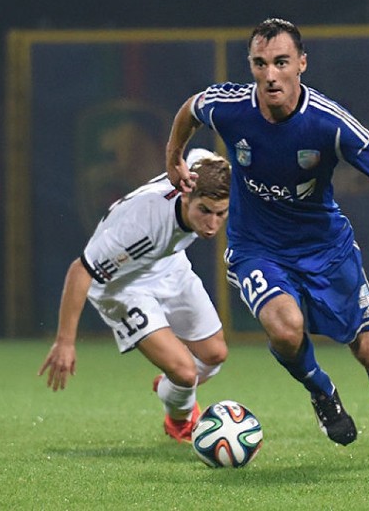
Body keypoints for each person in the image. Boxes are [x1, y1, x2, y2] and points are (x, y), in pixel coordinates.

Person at [165, 18, 369, 460]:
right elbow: (190, 108)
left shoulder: (327, 123)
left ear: (301, 64)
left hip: (326, 252)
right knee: (285, 328)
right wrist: (173, 156)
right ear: (251, 65)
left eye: (281, 62)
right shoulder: (231, 107)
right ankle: (322, 392)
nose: (270, 74)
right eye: (260, 63)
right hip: (257, 249)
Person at [38, 149, 232, 443]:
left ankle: (170, 388)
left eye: (221, 214)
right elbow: (80, 270)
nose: (212, 224)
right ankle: (179, 422)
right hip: (123, 287)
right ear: (185, 197)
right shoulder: (142, 228)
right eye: (204, 211)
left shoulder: (200, 170)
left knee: (215, 354)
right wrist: (65, 341)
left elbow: (203, 154)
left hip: (168, 264)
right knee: (184, 371)